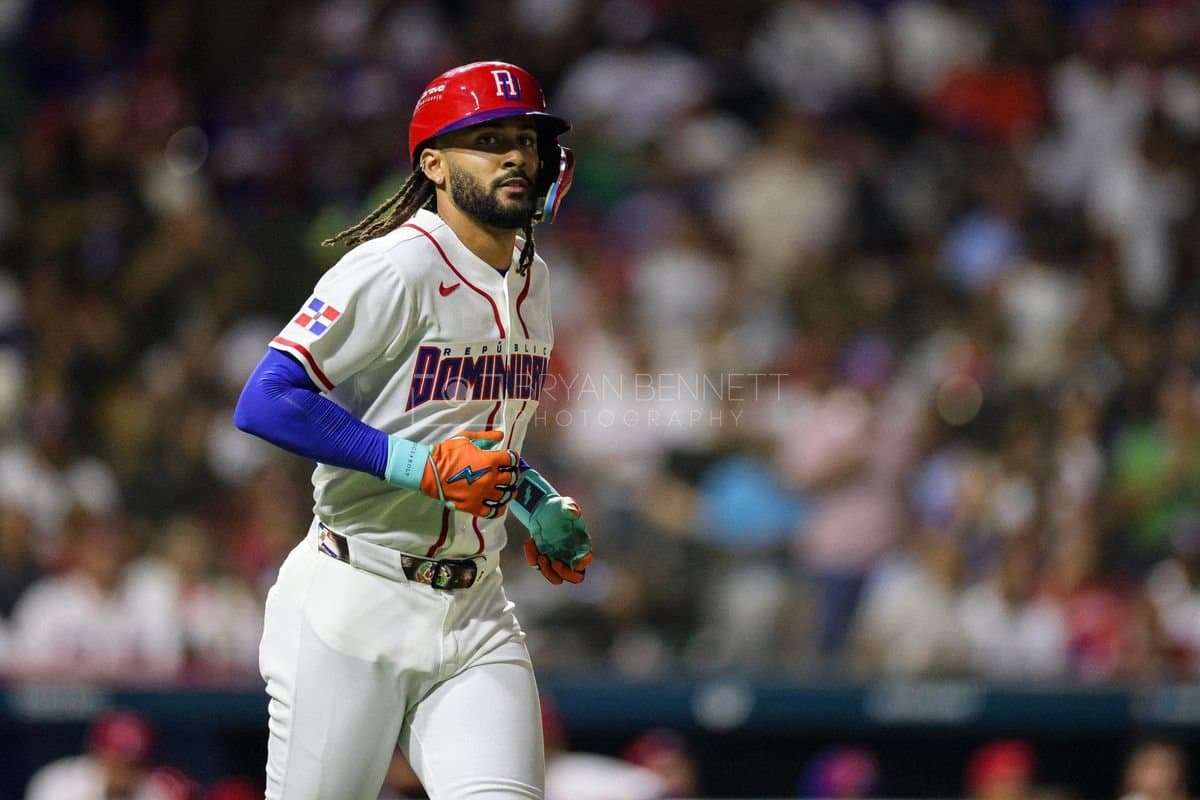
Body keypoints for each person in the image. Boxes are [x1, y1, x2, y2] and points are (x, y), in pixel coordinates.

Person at [233, 61, 592, 800]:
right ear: (433, 164)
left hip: (477, 608)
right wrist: (417, 468)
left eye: (525, 138)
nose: (516, 156)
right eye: (487, 140)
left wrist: (535, 501)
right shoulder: (394, 266)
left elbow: (471, 436)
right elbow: (265, 398)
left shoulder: (535, 278)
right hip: (354, 596)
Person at [24, 709, 175, 800]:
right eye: (117, 760)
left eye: (134, 764)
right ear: (96, 752)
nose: (125, 771)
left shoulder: (155, 791)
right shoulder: (58, 782)